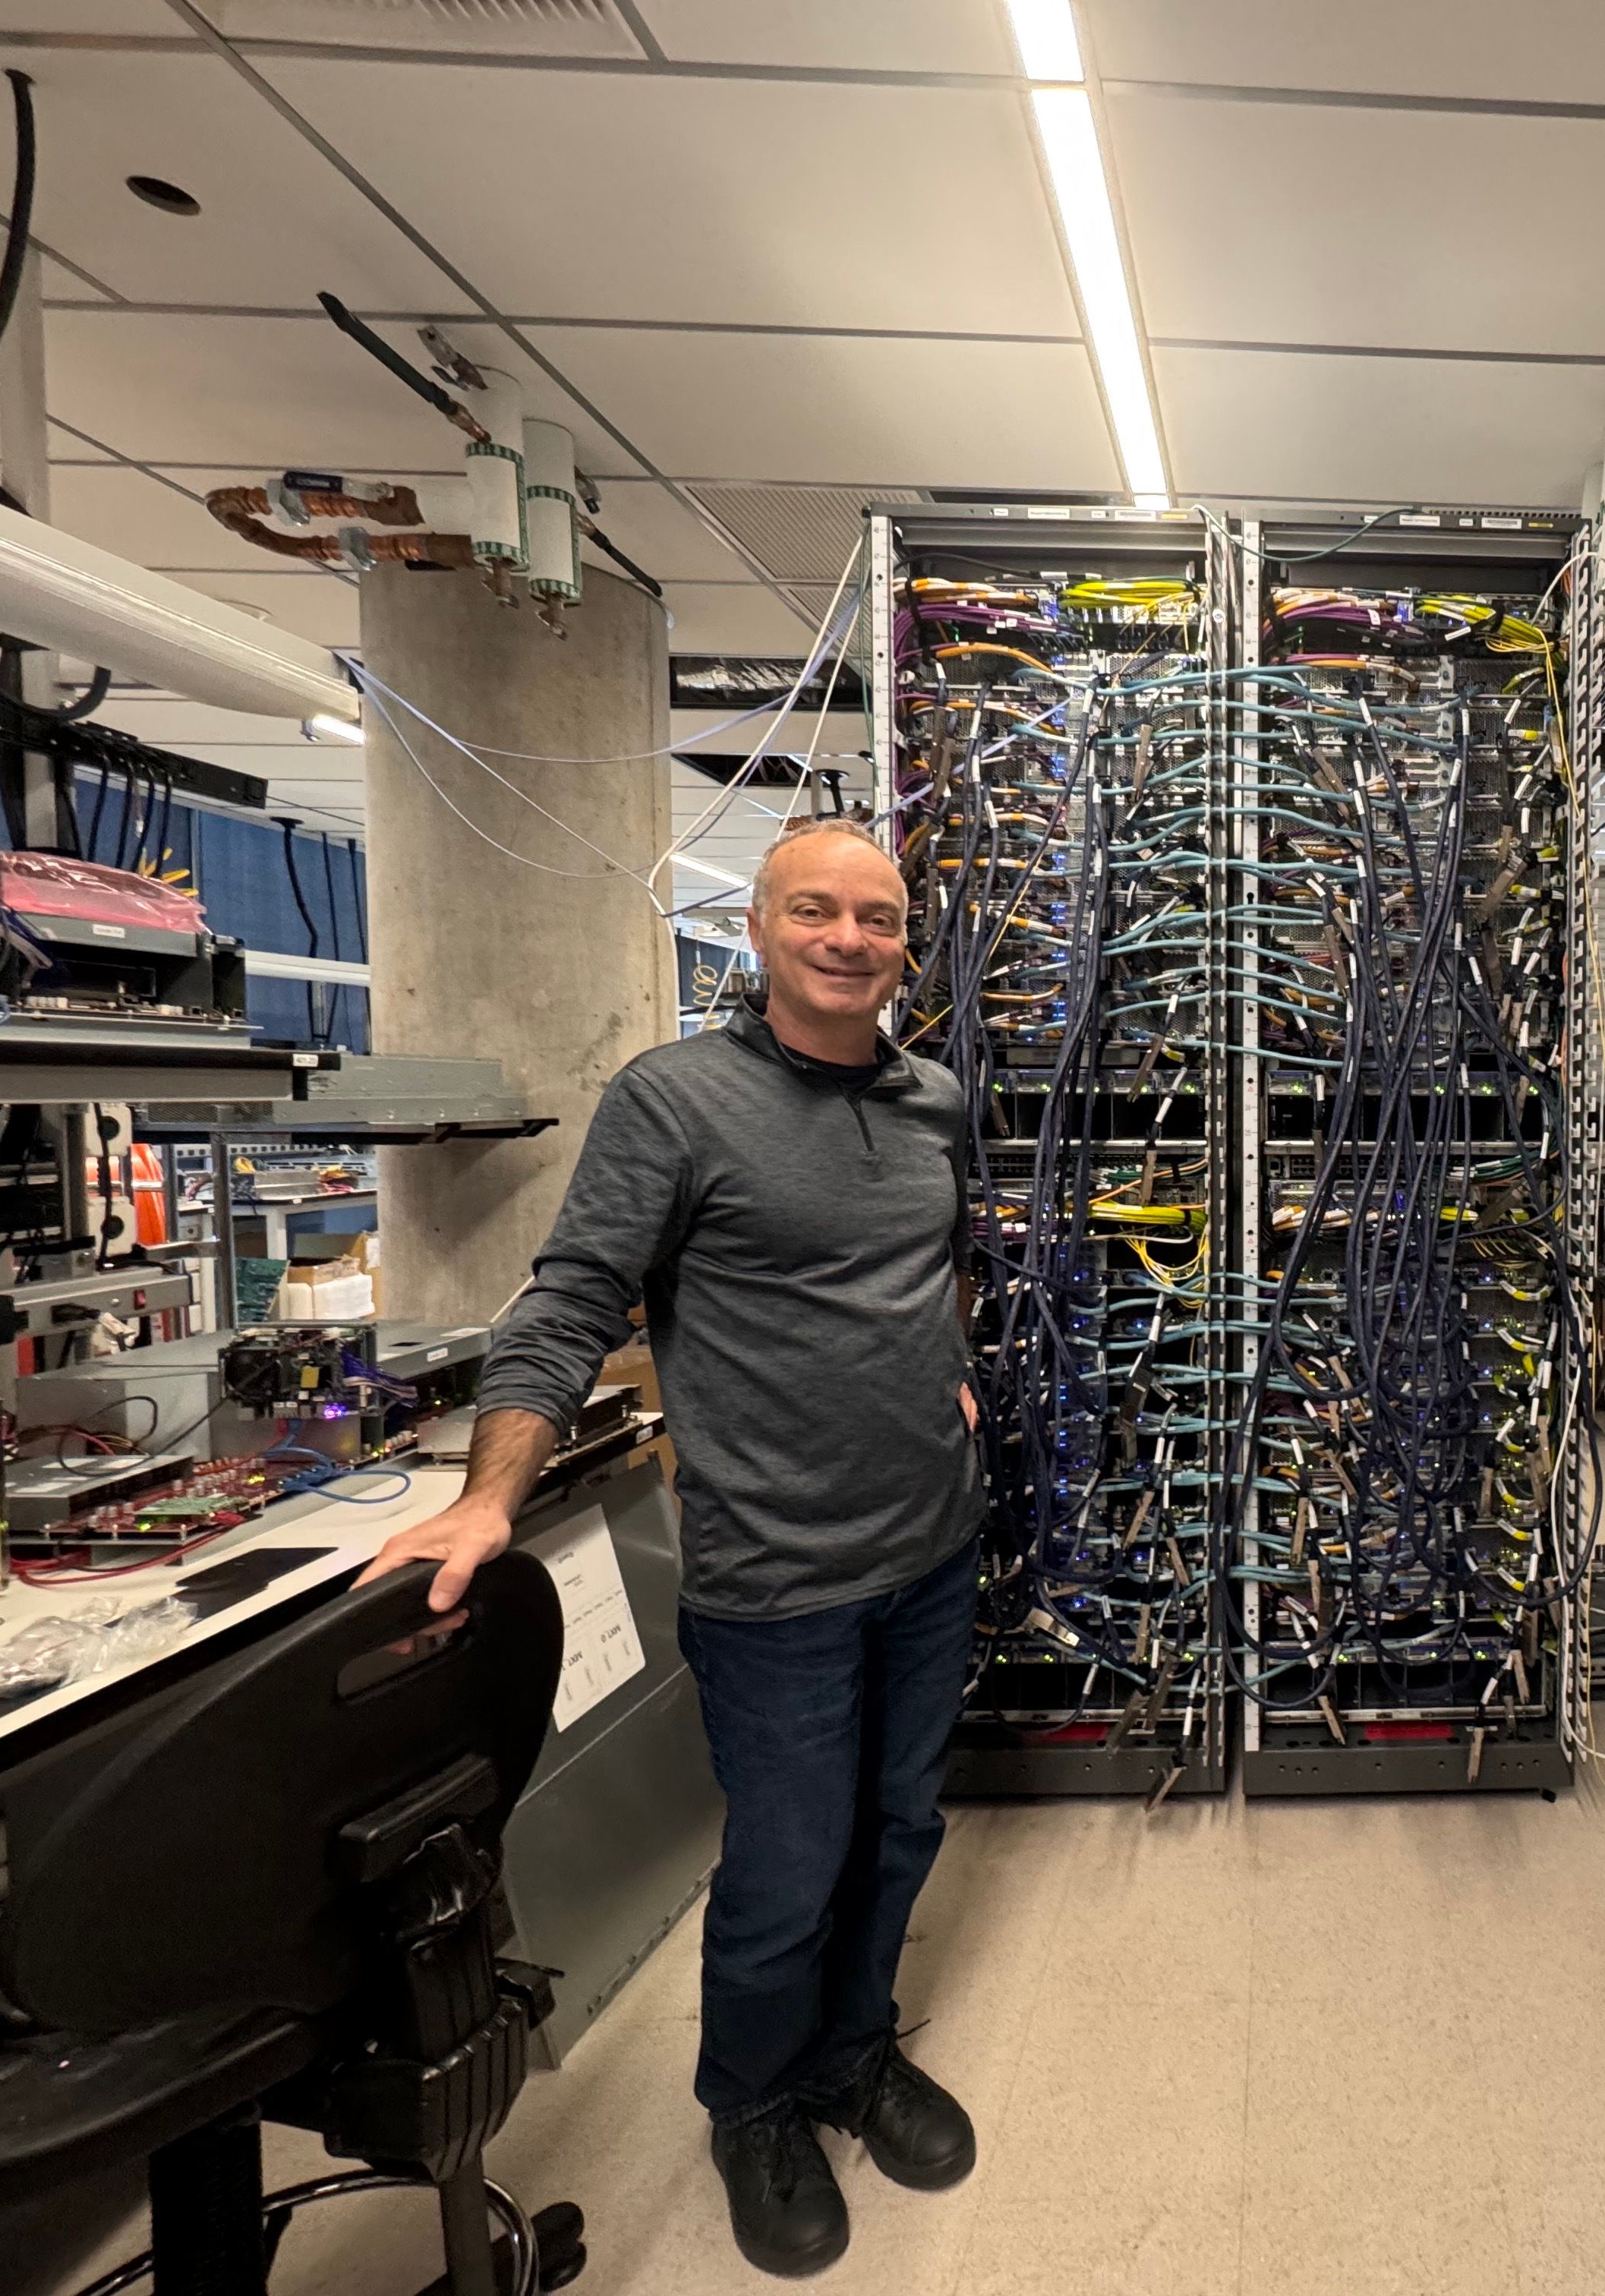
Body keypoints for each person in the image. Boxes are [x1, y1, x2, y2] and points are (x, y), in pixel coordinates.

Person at [361, 815, 983, 2279]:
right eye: (815, 912)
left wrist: (938, 1365)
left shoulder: (937, 1102)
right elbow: (574, 1300)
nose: (849, 939)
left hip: (934, 1549)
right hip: (777, 1580)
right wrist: (489, 1495)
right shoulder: (676, 1101)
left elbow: (920, 1266)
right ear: (757, 932)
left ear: (907, 943)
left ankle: (852, 2052)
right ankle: (753, 2103)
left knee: (900, 1833)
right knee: (786, 1861)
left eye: (878, 918)